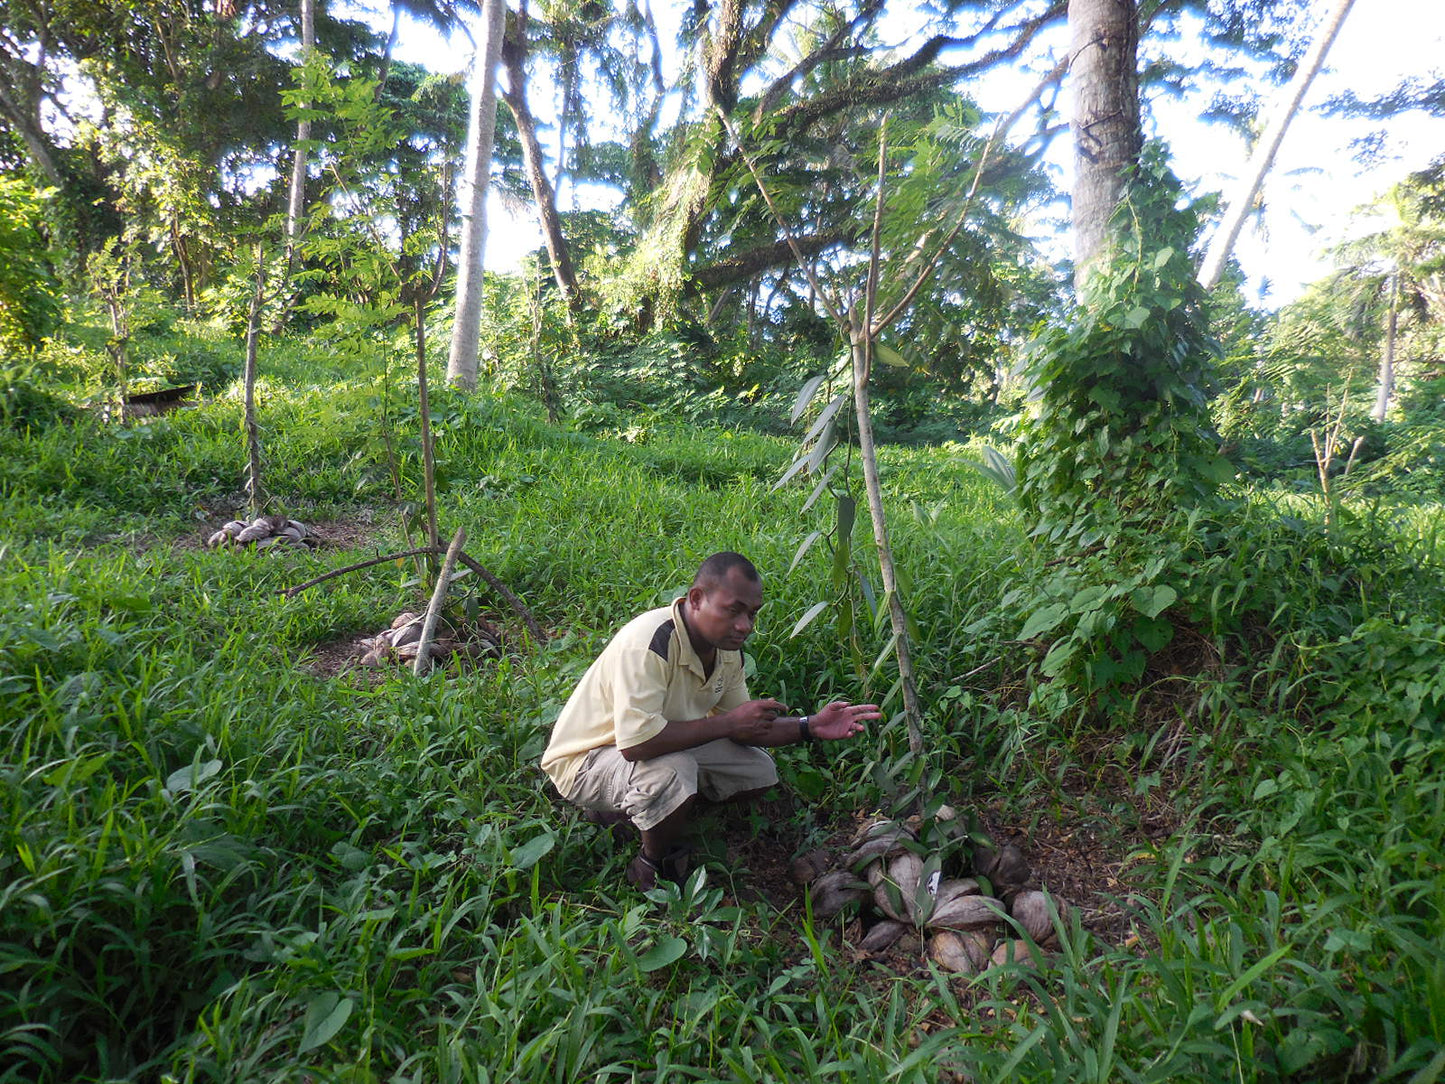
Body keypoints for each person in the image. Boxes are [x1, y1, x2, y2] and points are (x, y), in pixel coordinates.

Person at [541, 551, 880, 889]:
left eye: (752, 614)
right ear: (696, 599)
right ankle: (652, 865)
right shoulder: (651, 643)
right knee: (674, 773)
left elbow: (746, 730)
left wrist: (810, 726)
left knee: (758, 771)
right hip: (589, 759)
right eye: (733, 610)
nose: (745, 625)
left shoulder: (726, 651)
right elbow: (635, 745)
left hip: (664, 744)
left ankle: (644, 812)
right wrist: (728, 724)